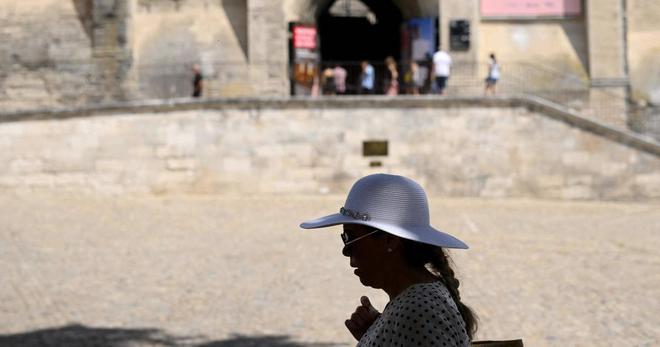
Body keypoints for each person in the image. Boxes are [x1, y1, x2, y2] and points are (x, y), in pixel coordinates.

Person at [300, 174, 477, 347]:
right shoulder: (415, 303)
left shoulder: (417, 311)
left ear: (390, 241)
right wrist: (375, 332)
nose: (345, 250)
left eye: (350, 237)